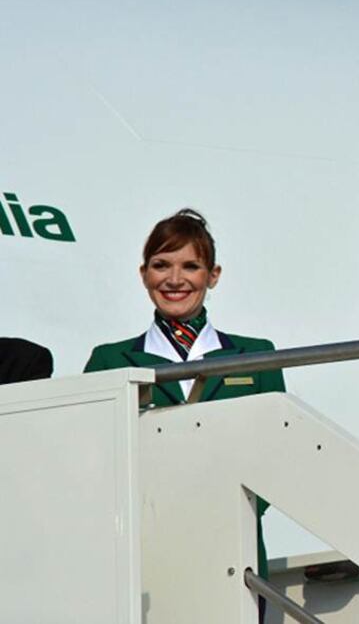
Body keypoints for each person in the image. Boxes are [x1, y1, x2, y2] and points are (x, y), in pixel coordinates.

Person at [84, 208, 284, 584]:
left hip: (232, 553)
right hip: (140, 556)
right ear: (144, 274)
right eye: (161, 265)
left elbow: (274, 459)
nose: (175, 280)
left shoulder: (257, 356)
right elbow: (93, 463)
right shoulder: (109, 360)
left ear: (213, 275)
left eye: (190, 267)